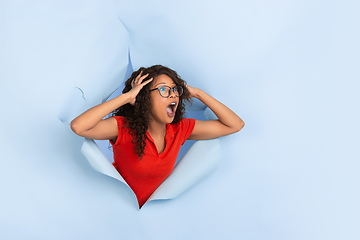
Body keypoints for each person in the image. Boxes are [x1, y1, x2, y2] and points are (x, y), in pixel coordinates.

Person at [71, 65, 245, 208]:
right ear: (144, 97)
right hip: (116, 210)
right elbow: (79, 126)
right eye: (163, 89)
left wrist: (199, 93)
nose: (172, 94)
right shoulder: (123, 127)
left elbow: (235, 125)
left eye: (175, 89)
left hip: (156, 218)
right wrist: (128, 97)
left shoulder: (180, 129)